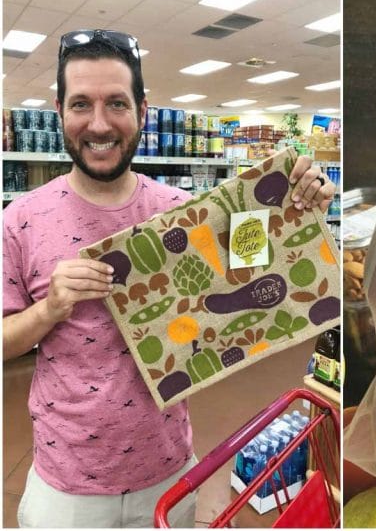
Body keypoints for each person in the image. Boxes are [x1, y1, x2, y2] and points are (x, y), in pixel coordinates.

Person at [2, 29, 337, 528]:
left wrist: (300, 211)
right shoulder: (21, 218)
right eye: (80, 104)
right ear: (59, 110)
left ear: (141, 109)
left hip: (169, 473)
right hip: (65, 490)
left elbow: (258, 286)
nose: (99, 124)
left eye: (116, 103)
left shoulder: (182, 213)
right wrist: (50, 308)